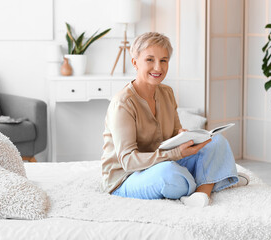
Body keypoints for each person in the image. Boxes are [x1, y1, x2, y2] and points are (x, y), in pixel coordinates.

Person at [101, 32, 249, 207]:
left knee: (217, 141)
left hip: (161, 162)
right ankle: (216, 180)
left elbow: (172, 135)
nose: (158, 67)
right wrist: (176, 153)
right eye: (150, 60)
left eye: (163, 60)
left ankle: (201, 194)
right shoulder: (123, 103)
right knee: (169, 174)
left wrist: (183, 137)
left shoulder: (167, 93)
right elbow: (128, 161)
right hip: (127, 177)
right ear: (135, 62)